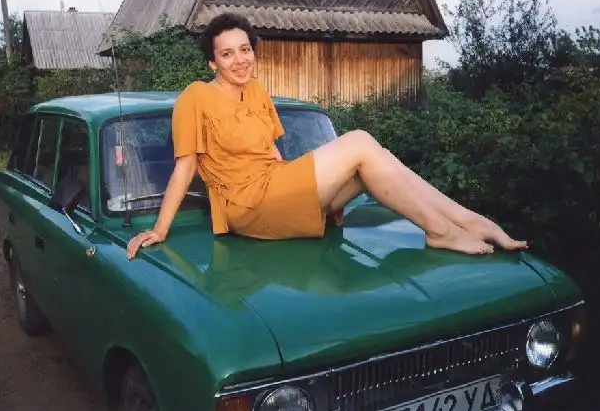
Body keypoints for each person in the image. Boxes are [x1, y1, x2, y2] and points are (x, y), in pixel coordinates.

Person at [126, 13, 528, 259]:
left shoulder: (258, 91)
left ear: (254, 51)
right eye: (227, 53)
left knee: (376, 160)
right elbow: (185, 168)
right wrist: (160, 229)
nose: (240, 60)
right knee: (360, 141)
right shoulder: (195, 97)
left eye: (245, 49)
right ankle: (442, 232)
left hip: (277, 188)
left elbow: (271, 152)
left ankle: (467, 219)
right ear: (212, 62)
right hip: (247, 207)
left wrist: (300, 184)